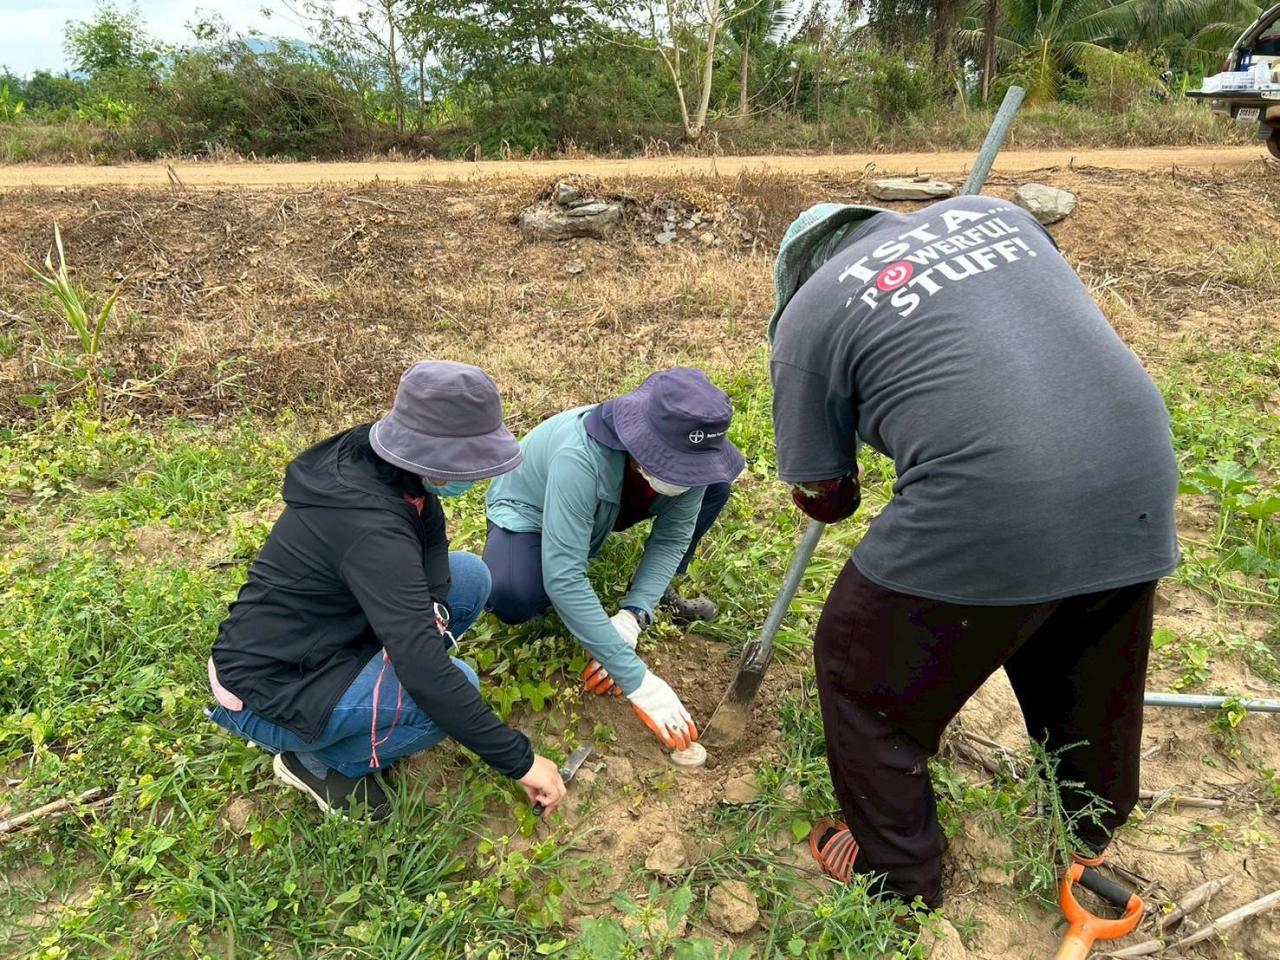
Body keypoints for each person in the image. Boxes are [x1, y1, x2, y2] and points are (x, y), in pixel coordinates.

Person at [768, 197, 1179, 908]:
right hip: (1134, 470)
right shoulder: (998, 215)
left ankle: (900, 878)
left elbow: (826, 496)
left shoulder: (807, 318)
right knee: (1081, 638)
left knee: (858, 668)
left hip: (994, 495)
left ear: (797, 277)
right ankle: (1087, 827)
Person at [207, 361, 567, 821]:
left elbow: (432, 543)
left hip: (332, 631)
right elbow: (428, 674)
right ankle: (319, 764)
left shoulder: (392, 465)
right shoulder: (369, 525)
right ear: (431, 454)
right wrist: (521, 761)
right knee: (446, 691)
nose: (475, 477)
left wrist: (430, 613)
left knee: (469, 576)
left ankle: (383, 677)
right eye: (468, 464)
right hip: (273, 686)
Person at [483, 367, 744, 750]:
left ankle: (652, 590)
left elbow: (673, 537)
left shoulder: (691, 461)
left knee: (715, 487)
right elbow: (565, 577)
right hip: (530, 510)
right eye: (677, 465)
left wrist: (632, 617)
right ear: (644, 443)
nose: (688, 477)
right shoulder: (579, 457)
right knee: (513, 594)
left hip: (613, 502)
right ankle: (531, 560)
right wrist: (639, 681)